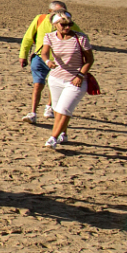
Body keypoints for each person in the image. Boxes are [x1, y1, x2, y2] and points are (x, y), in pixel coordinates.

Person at [38, 13, 94, 150]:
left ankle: (53, 138)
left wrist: (80, 75)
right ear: (55, 25)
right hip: (56, 78)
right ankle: (64, 134)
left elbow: (90, 60)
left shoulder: (80, 38)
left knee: (64, 109)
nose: (67, 27)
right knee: (58, 109)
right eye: (63, 25)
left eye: (69, 24)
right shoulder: (50, 37)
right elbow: (44, 53)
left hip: (75, 80)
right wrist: (48, 61)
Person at [18, 0, 71, 123]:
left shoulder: (68, 24)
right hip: (40, 58)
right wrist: (23, 55)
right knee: (38, 85)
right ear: (50, 12)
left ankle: (49, 107)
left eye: (63, 12)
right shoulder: (40, 19)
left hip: (58, 61)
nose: (60, 15)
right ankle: (33, 112)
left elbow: (81, 38)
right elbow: (28, 37)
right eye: (57, 12)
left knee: (55, 86)